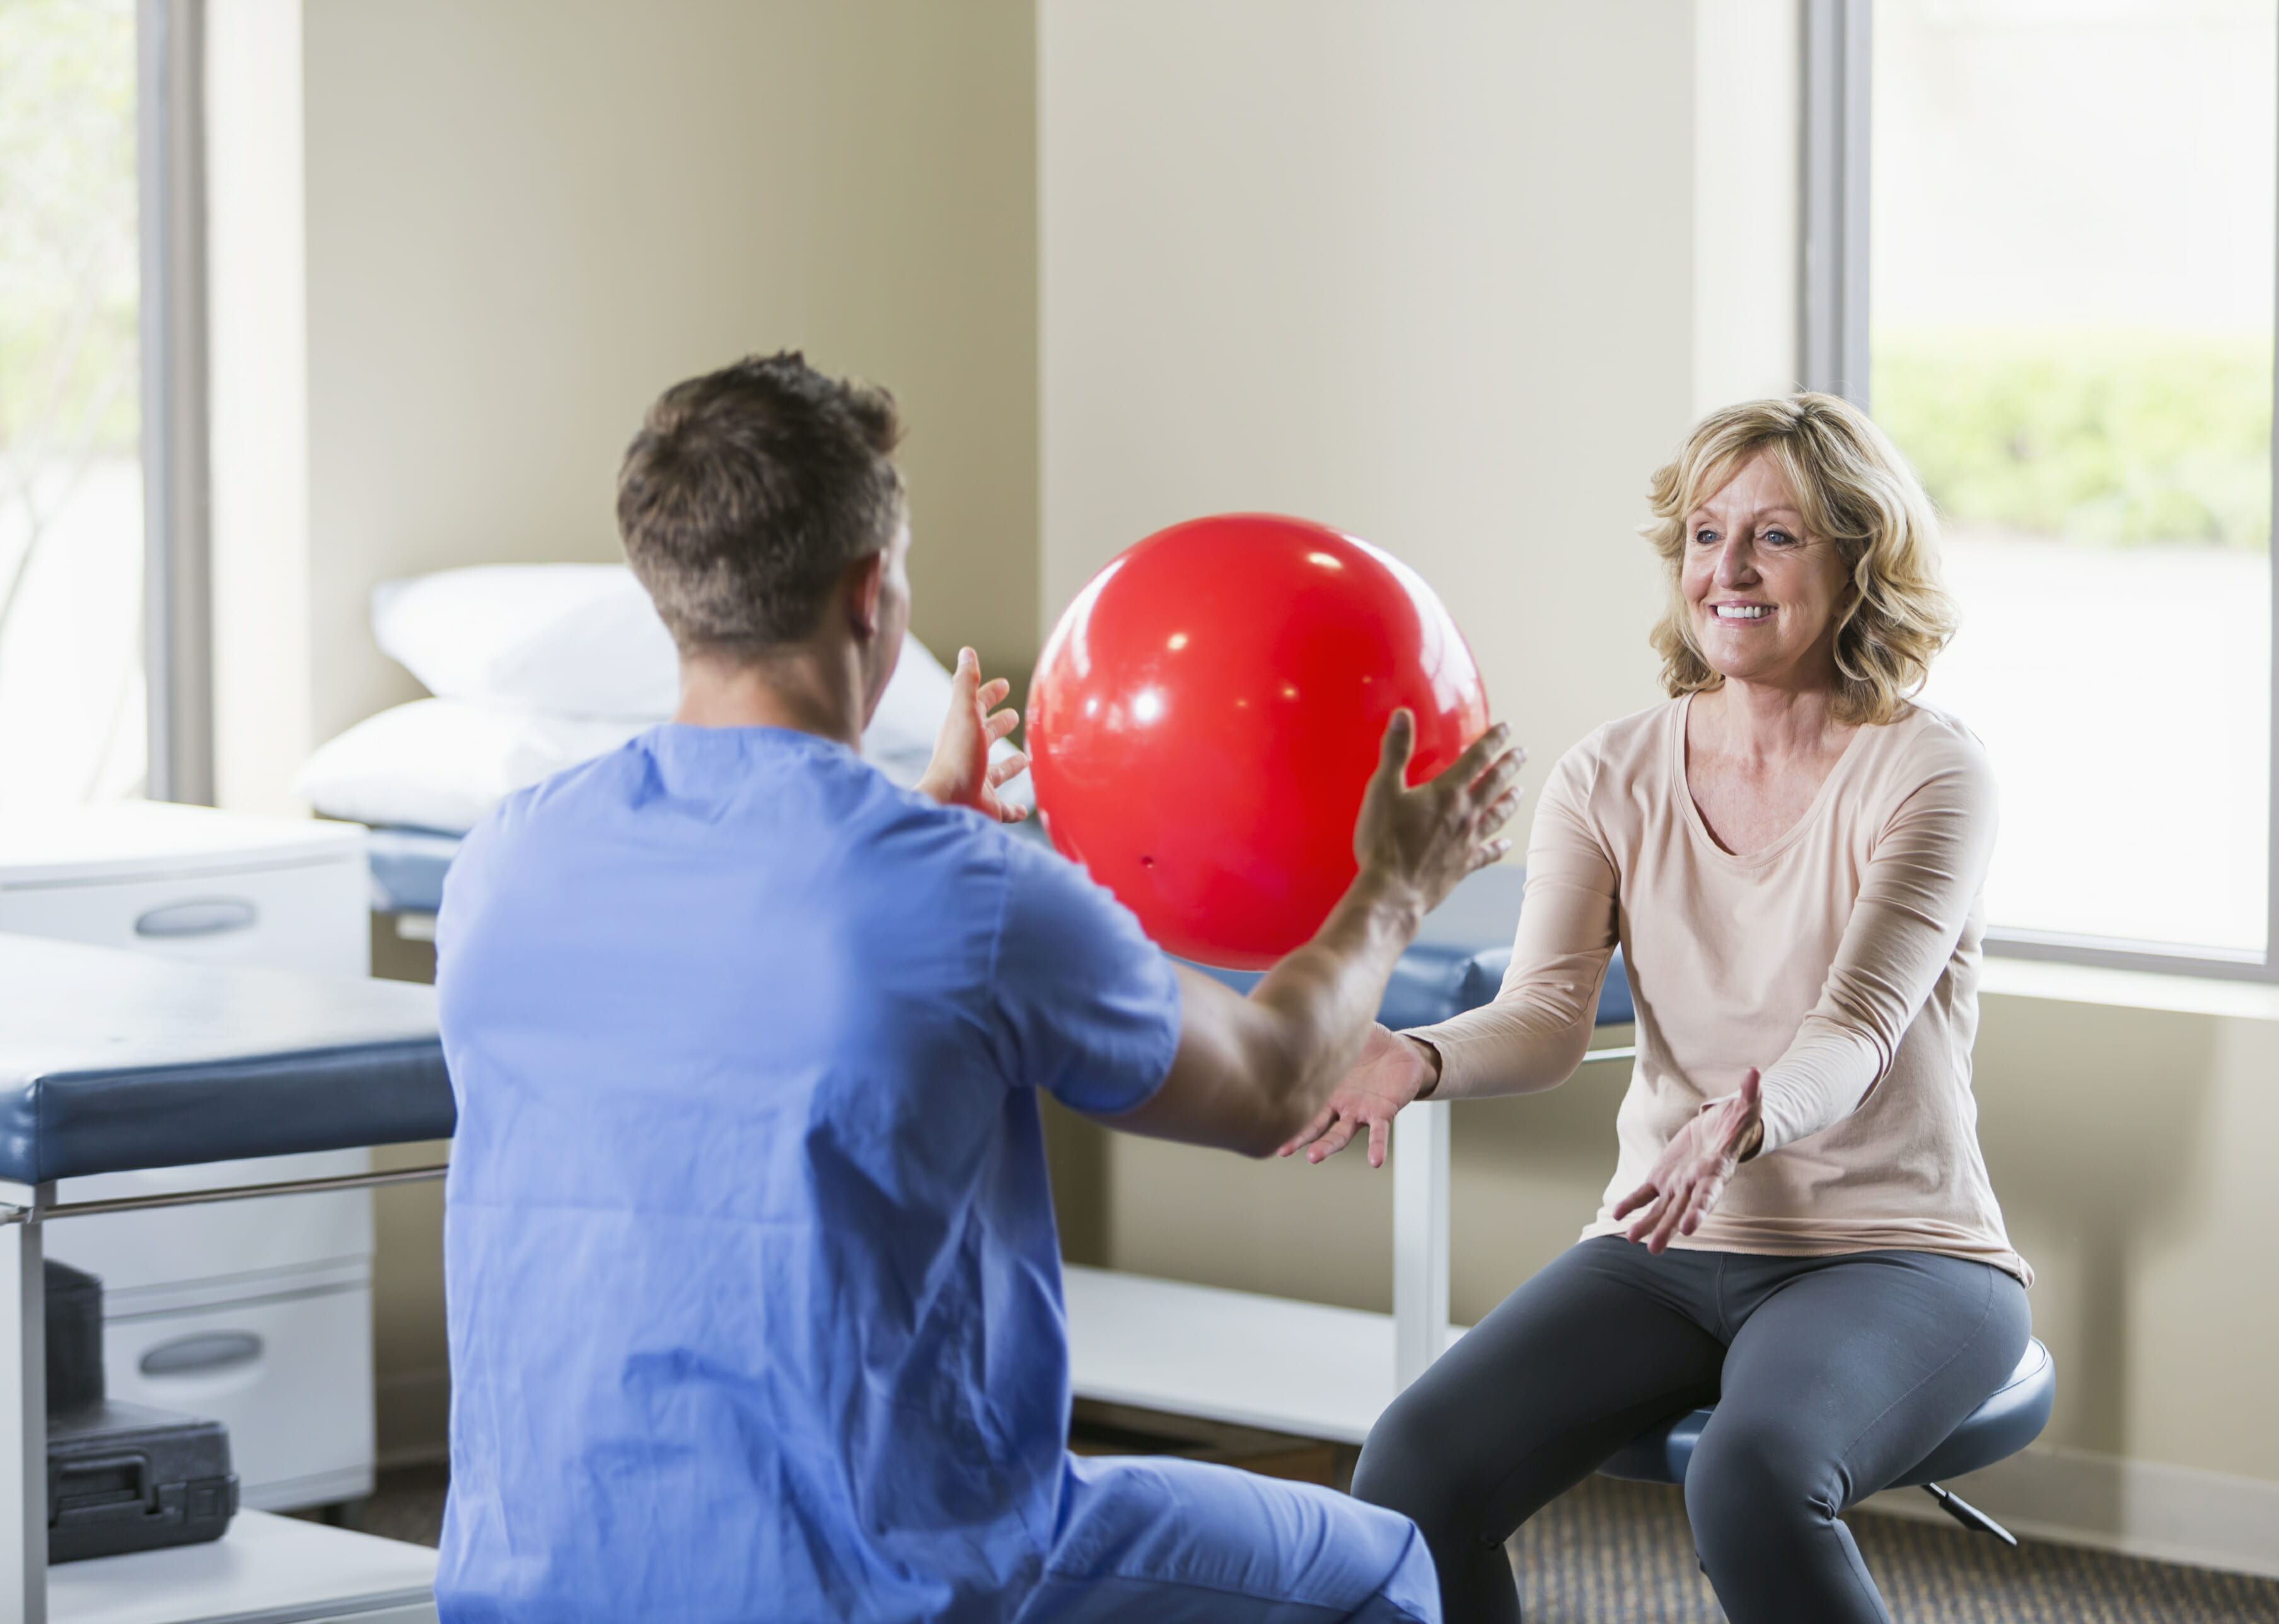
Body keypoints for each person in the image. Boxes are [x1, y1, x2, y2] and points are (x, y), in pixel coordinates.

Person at [430, 353, 1522, 1624]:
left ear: (670, 591)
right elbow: (1275, 1083)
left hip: (544, 1587)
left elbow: (745, 985)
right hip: (889, 1588)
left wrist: (917, 833)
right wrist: (1393, 886)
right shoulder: (966, 894)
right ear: (868, 589)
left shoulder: (507, 859)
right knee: (1384, 1571)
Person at [1286, 394, 2031, 1624]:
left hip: (1902, 1254)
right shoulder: (1611, 771)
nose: (1726, 569)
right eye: (1702, 534)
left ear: (1858, 559)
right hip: (1665, 1250)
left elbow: (1853, 1028)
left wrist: (1738, 1120)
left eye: (1776, 538)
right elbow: (1544, 1016)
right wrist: (1417, 1057)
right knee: (1413, 1466)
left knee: (1752, 1475)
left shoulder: (1929, 772)